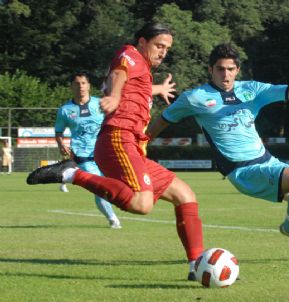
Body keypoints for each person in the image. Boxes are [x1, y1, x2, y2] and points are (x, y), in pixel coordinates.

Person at [27, 22, 204, 280]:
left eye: (167, 48)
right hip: (118, 139)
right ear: (142, 42)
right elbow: (118, 75)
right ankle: (72, 174)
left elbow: (136, 85)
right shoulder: (130, 54)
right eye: (159, 45)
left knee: (185, 195)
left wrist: (159, 90)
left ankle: (196, 265)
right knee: (142, 204)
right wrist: (116, 96)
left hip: (131, 145)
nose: (163, 52)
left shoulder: (143, 70)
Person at [147, 43, 289, 262]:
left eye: (230, 69)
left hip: (268, 162)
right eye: (220, 69)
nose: (225, 74)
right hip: (242, 171)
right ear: (210, 70)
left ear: (237, 70)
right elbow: (163, 120)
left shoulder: (251, 90)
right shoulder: (195, 97)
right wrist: (140, 143)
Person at [54, 72, 122, 228]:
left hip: (106, 152)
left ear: (89, 85)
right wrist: (60, 144)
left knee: (116, 183)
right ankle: (113, 219)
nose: (81, 87)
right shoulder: (65, 110)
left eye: (83, 83)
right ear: (71, 86)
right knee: (100, 187)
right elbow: (58, 131)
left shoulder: (100, 104)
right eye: (77, 84)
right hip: (84, 155)